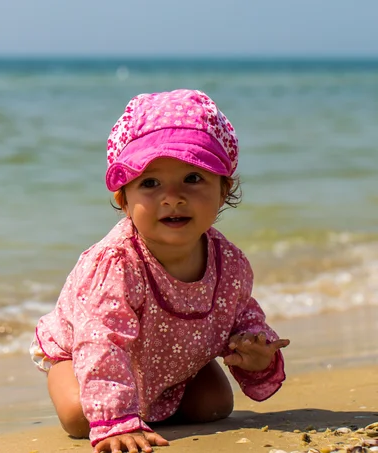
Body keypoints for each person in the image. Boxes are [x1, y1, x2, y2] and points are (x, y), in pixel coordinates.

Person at [30, 89, 290, 453]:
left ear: (223, 189)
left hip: (171, 364)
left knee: (215, 405)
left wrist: (255, 347)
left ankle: (150, 401)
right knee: (80, 417)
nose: (173, 197)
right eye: (150, 183)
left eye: (193, 178)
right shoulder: (117, 264)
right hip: (85, 356)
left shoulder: (229, 262)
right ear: (123, 198)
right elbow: (100, 340)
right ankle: (115, 404)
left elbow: (240, 314)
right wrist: (115, 421)